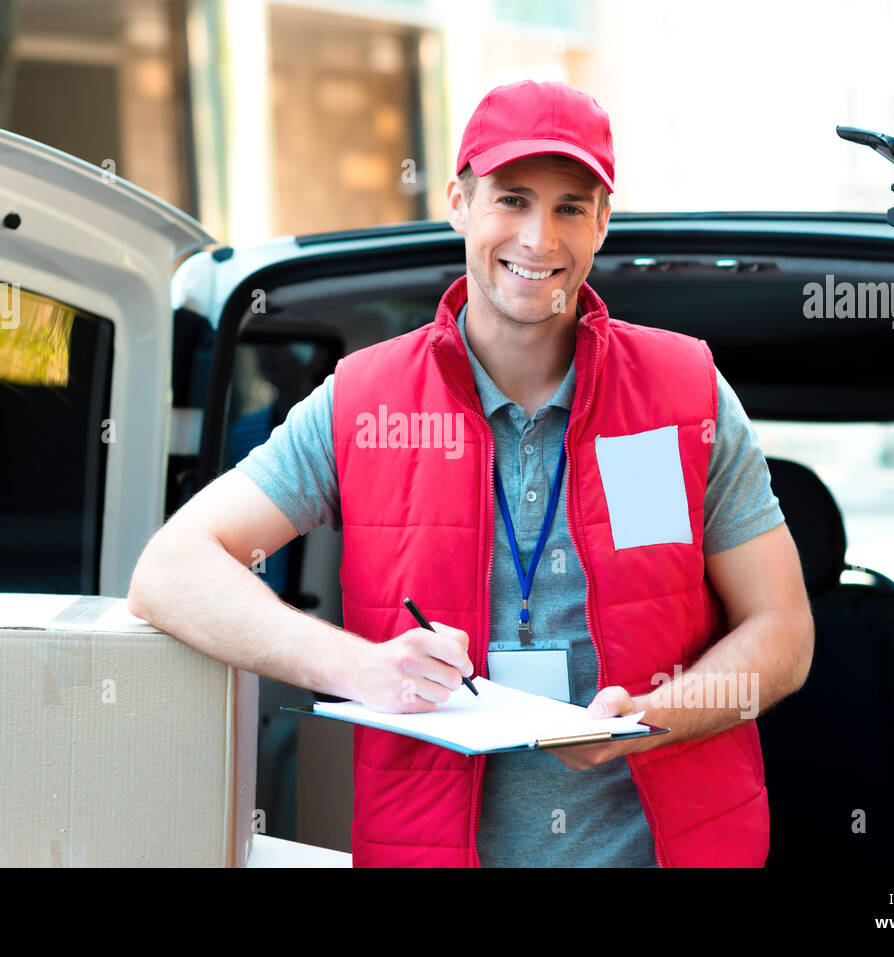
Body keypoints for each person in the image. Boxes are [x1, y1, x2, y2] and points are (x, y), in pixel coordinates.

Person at [127, 79, 814, 867]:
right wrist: (362, 668)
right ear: (458, 201)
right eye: (512, 199)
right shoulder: (364, 402)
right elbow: (170, 569)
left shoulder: (684, 392)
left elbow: (783, 632)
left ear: (602, 222)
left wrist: (651, 717)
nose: (539, 238)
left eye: (569, 207)